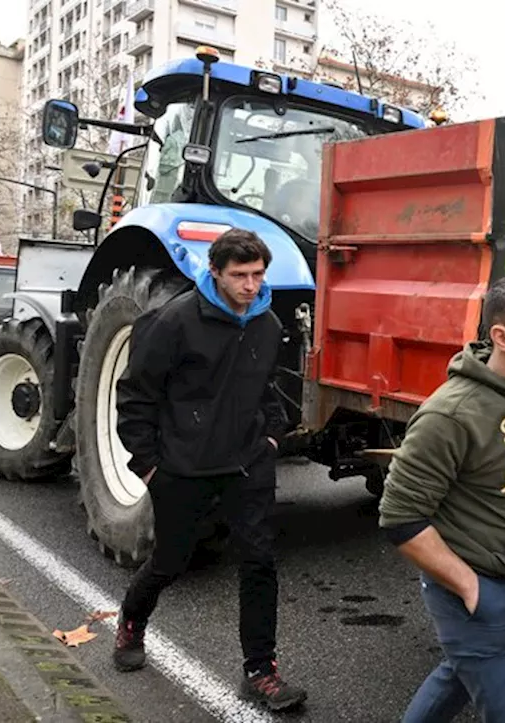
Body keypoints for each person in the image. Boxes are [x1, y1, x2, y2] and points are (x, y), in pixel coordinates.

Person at [111, 228, 307, 712]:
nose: (250, 285)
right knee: (170, 562)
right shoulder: (174, 321)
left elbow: (271, 387)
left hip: (247, 463)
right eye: (239, 275)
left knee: (259, 564)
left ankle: (260, 671)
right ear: (214, 272)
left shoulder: (265, 323)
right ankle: (132, 623)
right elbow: (136, 395)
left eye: (258, 275)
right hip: (183, 468)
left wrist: (272, 436)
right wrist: (149, 466)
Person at [379, 274, 505, 723]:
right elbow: (400, 517)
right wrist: (471, 588)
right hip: (477, 591)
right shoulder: (451, 415)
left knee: (458, 674)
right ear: (500, 337)